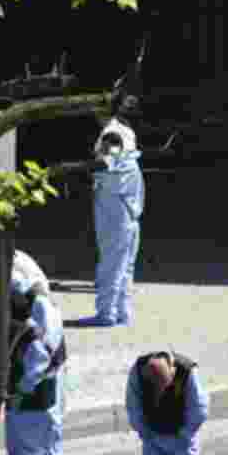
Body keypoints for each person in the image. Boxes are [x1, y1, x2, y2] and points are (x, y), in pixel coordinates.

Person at [0, 277, 67, 455]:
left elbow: (37, 365)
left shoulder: (29, 334)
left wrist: (21, 391)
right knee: (15, 440)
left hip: (31, 398)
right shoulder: (20, 328)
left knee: (29, 442)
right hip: (21, 395)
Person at [74, 117, 143, 327]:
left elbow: (107, 161)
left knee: (111, 264)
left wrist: (71, 168)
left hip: (115, 211)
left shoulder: (112, 134)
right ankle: (122, 311)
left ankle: (106, 313)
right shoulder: (126, 133)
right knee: (124, 265)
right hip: (129, 208)